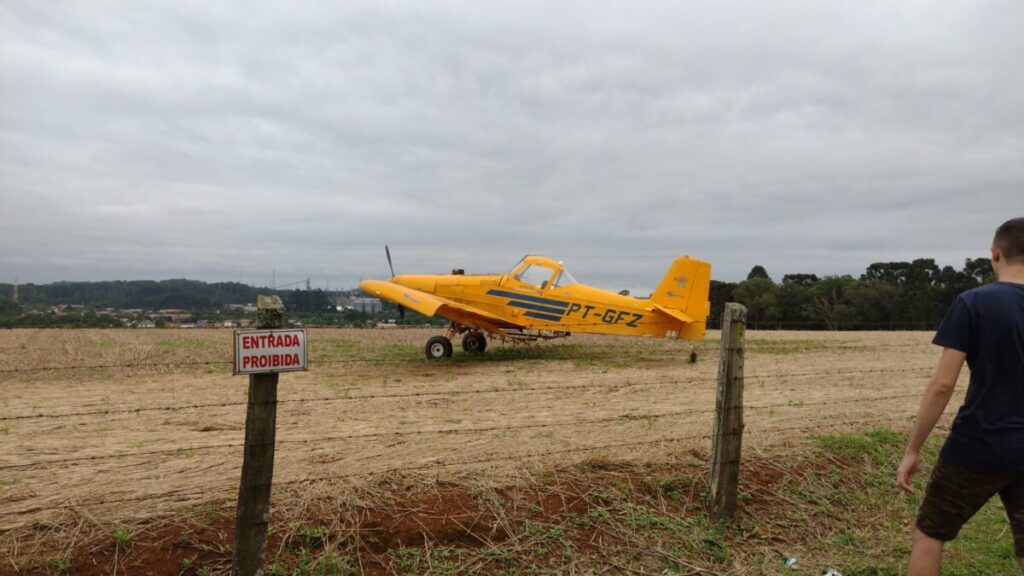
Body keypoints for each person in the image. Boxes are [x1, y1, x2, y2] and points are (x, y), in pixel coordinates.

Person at [897, 217, 1024, 575]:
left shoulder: (973, 302)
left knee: (929, 535)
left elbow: (942, 385)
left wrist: (913, 450)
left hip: (978, 445)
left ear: (995, 253)